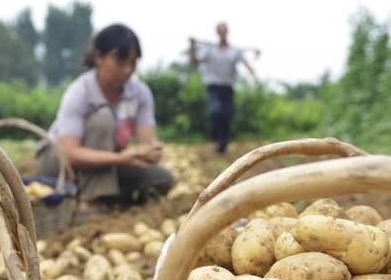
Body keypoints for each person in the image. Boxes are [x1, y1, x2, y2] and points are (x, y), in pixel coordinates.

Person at [37, 24, 174, 216]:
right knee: (103, 118)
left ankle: (83, 195)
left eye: (133, 63)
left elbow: (147, 140)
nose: (127, 70)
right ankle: (91, 202)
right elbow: (69, 152)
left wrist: (151, 151)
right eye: (120, 62)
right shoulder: (80, 92)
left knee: (161, 178)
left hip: (106, 163)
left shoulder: (140, 93)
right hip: (59, 163)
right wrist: (121, 159)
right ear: (98, 57)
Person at [189, 22, 259, 155]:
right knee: (216, 112)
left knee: (227, 116)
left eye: (224, 31)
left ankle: (223, 145)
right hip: (213, 86)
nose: (222, 33)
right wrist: (192, 46)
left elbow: (246, 63)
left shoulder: (234, 51)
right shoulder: (210, 50)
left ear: (227, 32)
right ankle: (215, 139)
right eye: (220, 31)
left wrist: (254, 76)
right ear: (217, 33)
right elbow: (195, 61)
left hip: (228, 87)